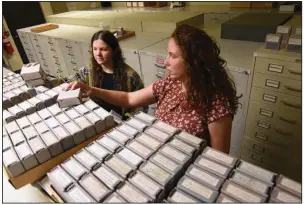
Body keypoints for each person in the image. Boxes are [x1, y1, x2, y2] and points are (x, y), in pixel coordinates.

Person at [64, 24, 241, 153]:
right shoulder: (168, 84)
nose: (166, 62)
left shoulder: (216, 102)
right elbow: (128, 99)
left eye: (172, 56)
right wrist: (92, 90)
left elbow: (218, 159)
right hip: (156, 153)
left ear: (193, 61)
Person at [63, 30, 147, 118]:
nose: (98, 54)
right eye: (95, 49)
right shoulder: (87, 71)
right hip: (96, 118)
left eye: (103, 49)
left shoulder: (130, 76)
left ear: (114, 50)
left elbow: (142, 106)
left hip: (121, 123)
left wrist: (126, 121)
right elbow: (69, 82)